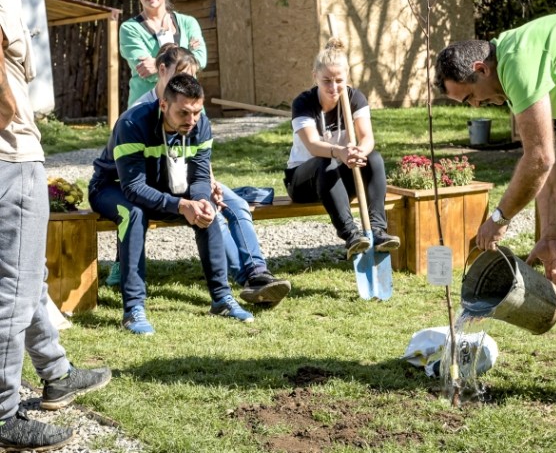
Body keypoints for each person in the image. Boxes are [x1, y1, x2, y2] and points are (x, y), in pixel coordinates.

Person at [433, 12, 556, 410]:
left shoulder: (518, 61)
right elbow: (544, 164)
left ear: (481, 69)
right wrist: (550, 236)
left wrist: (498, 218)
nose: (477, 104)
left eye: (469, 96)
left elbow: (538, 158)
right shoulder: (518, 63)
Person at [0, 0, 111, 451]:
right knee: (14, 294)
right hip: (11, 162)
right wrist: (14, 117)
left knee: (26, 280)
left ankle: (57, 374)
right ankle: (1, 414)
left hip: (13, 158)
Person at [106, 43, 291, 306]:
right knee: (211, 212)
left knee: (234, 203)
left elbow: (198, 157)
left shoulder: (192, 108)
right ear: (162, 72)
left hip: (186, 178)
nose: (188, 82)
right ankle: (244, 278)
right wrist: (193, 199)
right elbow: (136, 178)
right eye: (181, 75)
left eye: (193, 77)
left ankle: (258, 273)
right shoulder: (141, 112)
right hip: (160, 185)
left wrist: (209, 184)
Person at [89, 73, 255, 335]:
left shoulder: (201, 126)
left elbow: (200, 177)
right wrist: (180, 206)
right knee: (134, 214)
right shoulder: (132, 123)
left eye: (197, 112)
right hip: (113, 188)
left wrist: (199, 201)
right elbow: (132, 188)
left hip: (165, 189)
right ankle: (133, 309)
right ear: (164, 105)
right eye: (184, 113)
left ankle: (221, 299)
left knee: (206, 209)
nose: (191, 121)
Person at [284, 37, 400, 259]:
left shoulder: (355, 98)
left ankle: (377, 230)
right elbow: (313, 145)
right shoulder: (304, 103)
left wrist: (359, 152)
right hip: (303, 181)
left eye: (339, 80)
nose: (333, 87)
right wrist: (339, 152)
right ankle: (351, 235)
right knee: (325, 160)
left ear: (346, 77)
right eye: (326, 80)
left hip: (337, 178)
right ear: (314, 76)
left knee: (373, 158)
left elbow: (367, 138)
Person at [119, 0, 207, 108]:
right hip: (146, 110)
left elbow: (201, 59)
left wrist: (157, 64)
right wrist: (186, 62)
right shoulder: (130, 28)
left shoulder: (188, 23)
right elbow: (145, 70)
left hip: (188, 108)